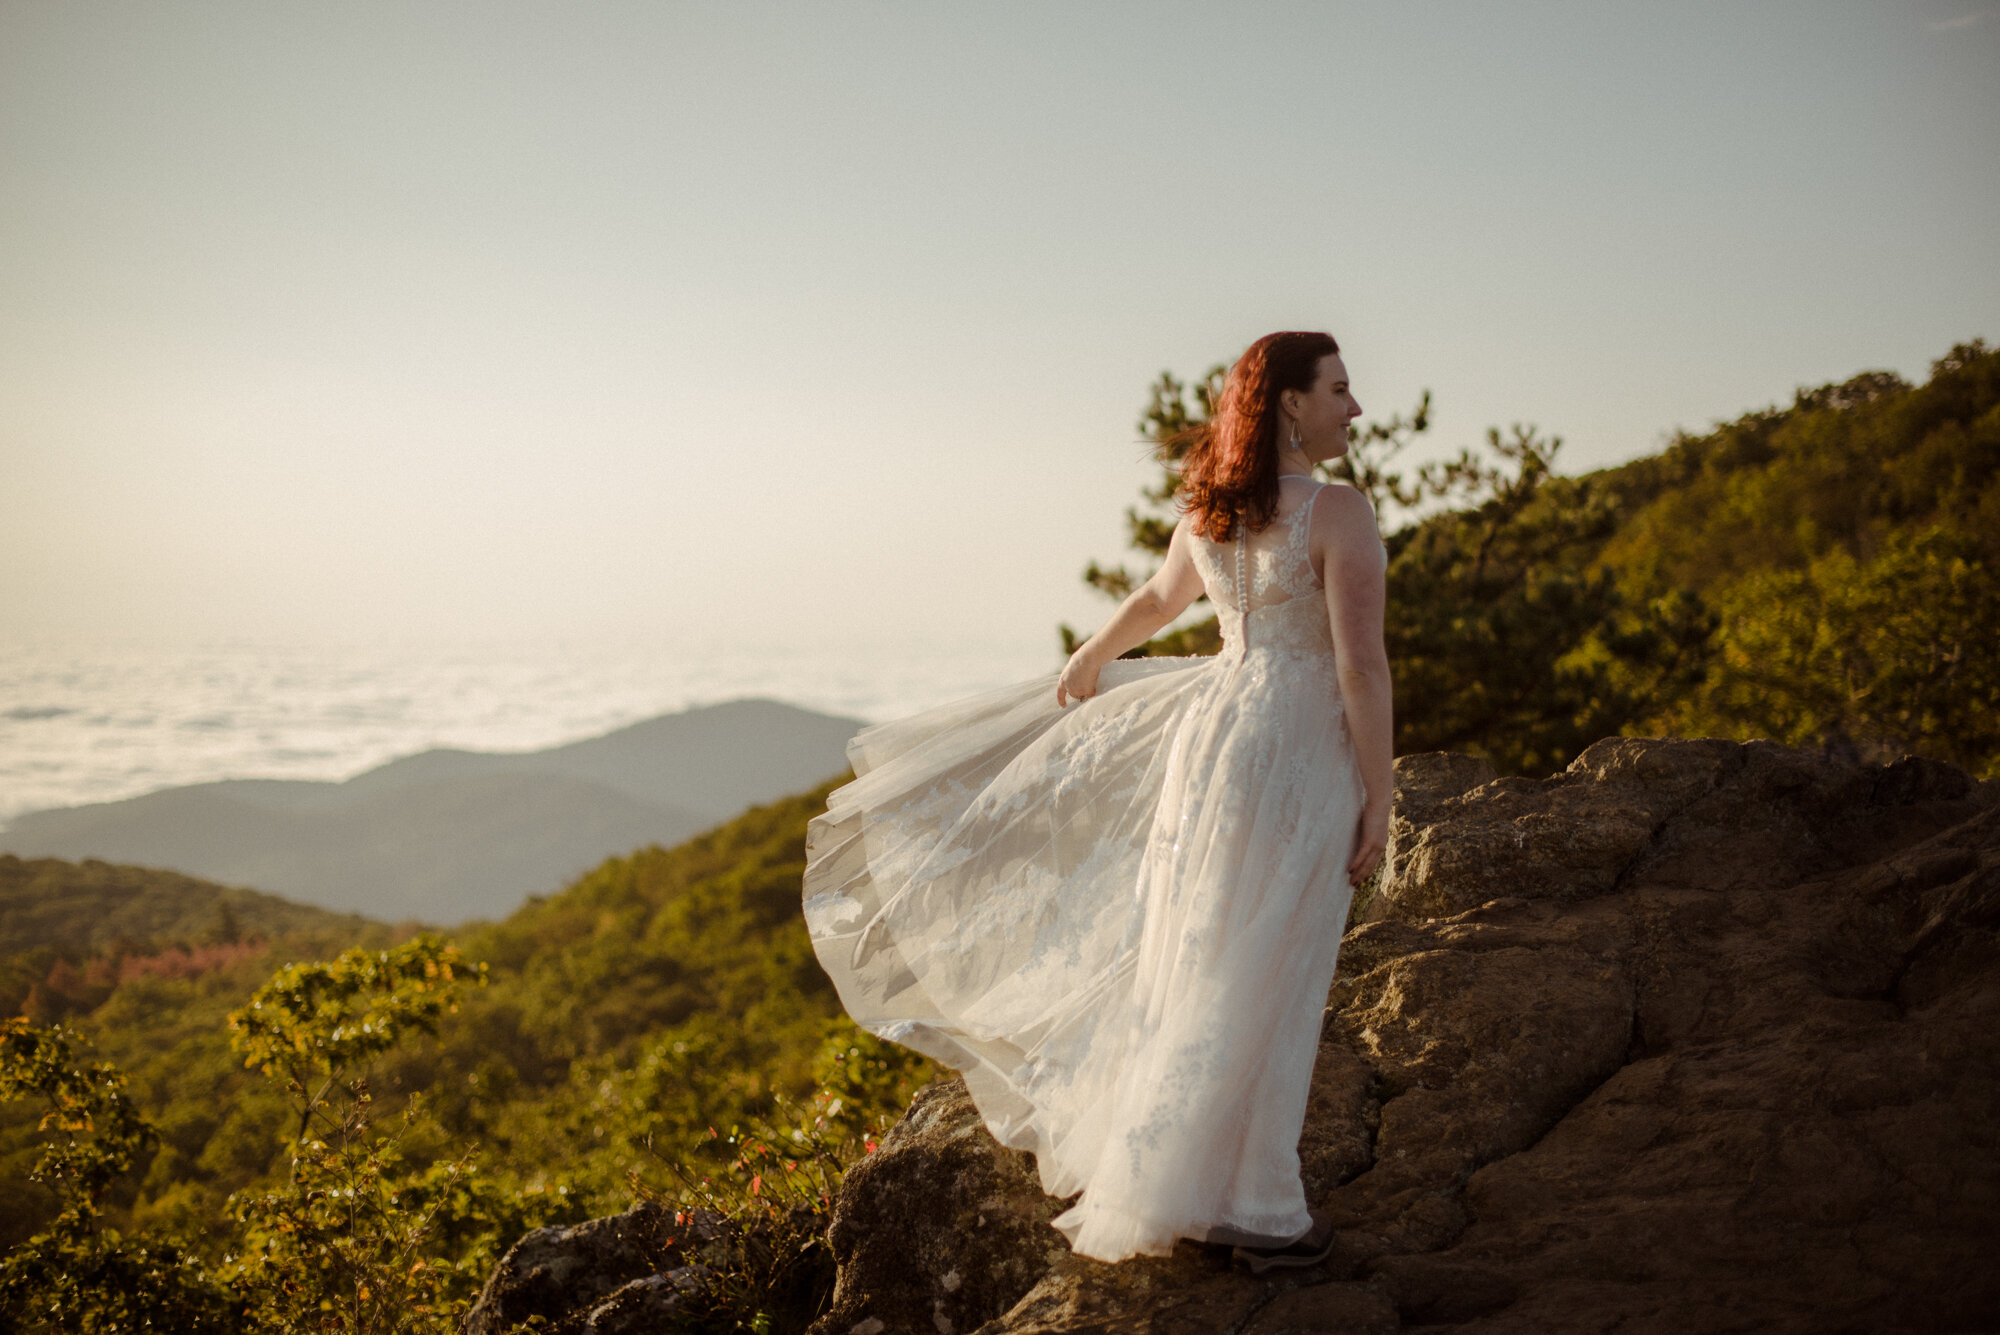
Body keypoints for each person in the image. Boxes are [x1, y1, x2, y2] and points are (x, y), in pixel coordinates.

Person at [801, 330, 1394, 1270]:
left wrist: (1090, 653)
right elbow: (1360, 665)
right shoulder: (1340, 512)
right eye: (1339, 390)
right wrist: (1381, 792)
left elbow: (1161, 600)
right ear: (1289, 402)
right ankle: (1263, 1207)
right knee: (1274, 966)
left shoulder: (1213, 510)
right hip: (1293, 742)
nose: (1354, 410)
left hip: (1214, 740)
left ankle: (1188, 1187)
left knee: (1196, 953)